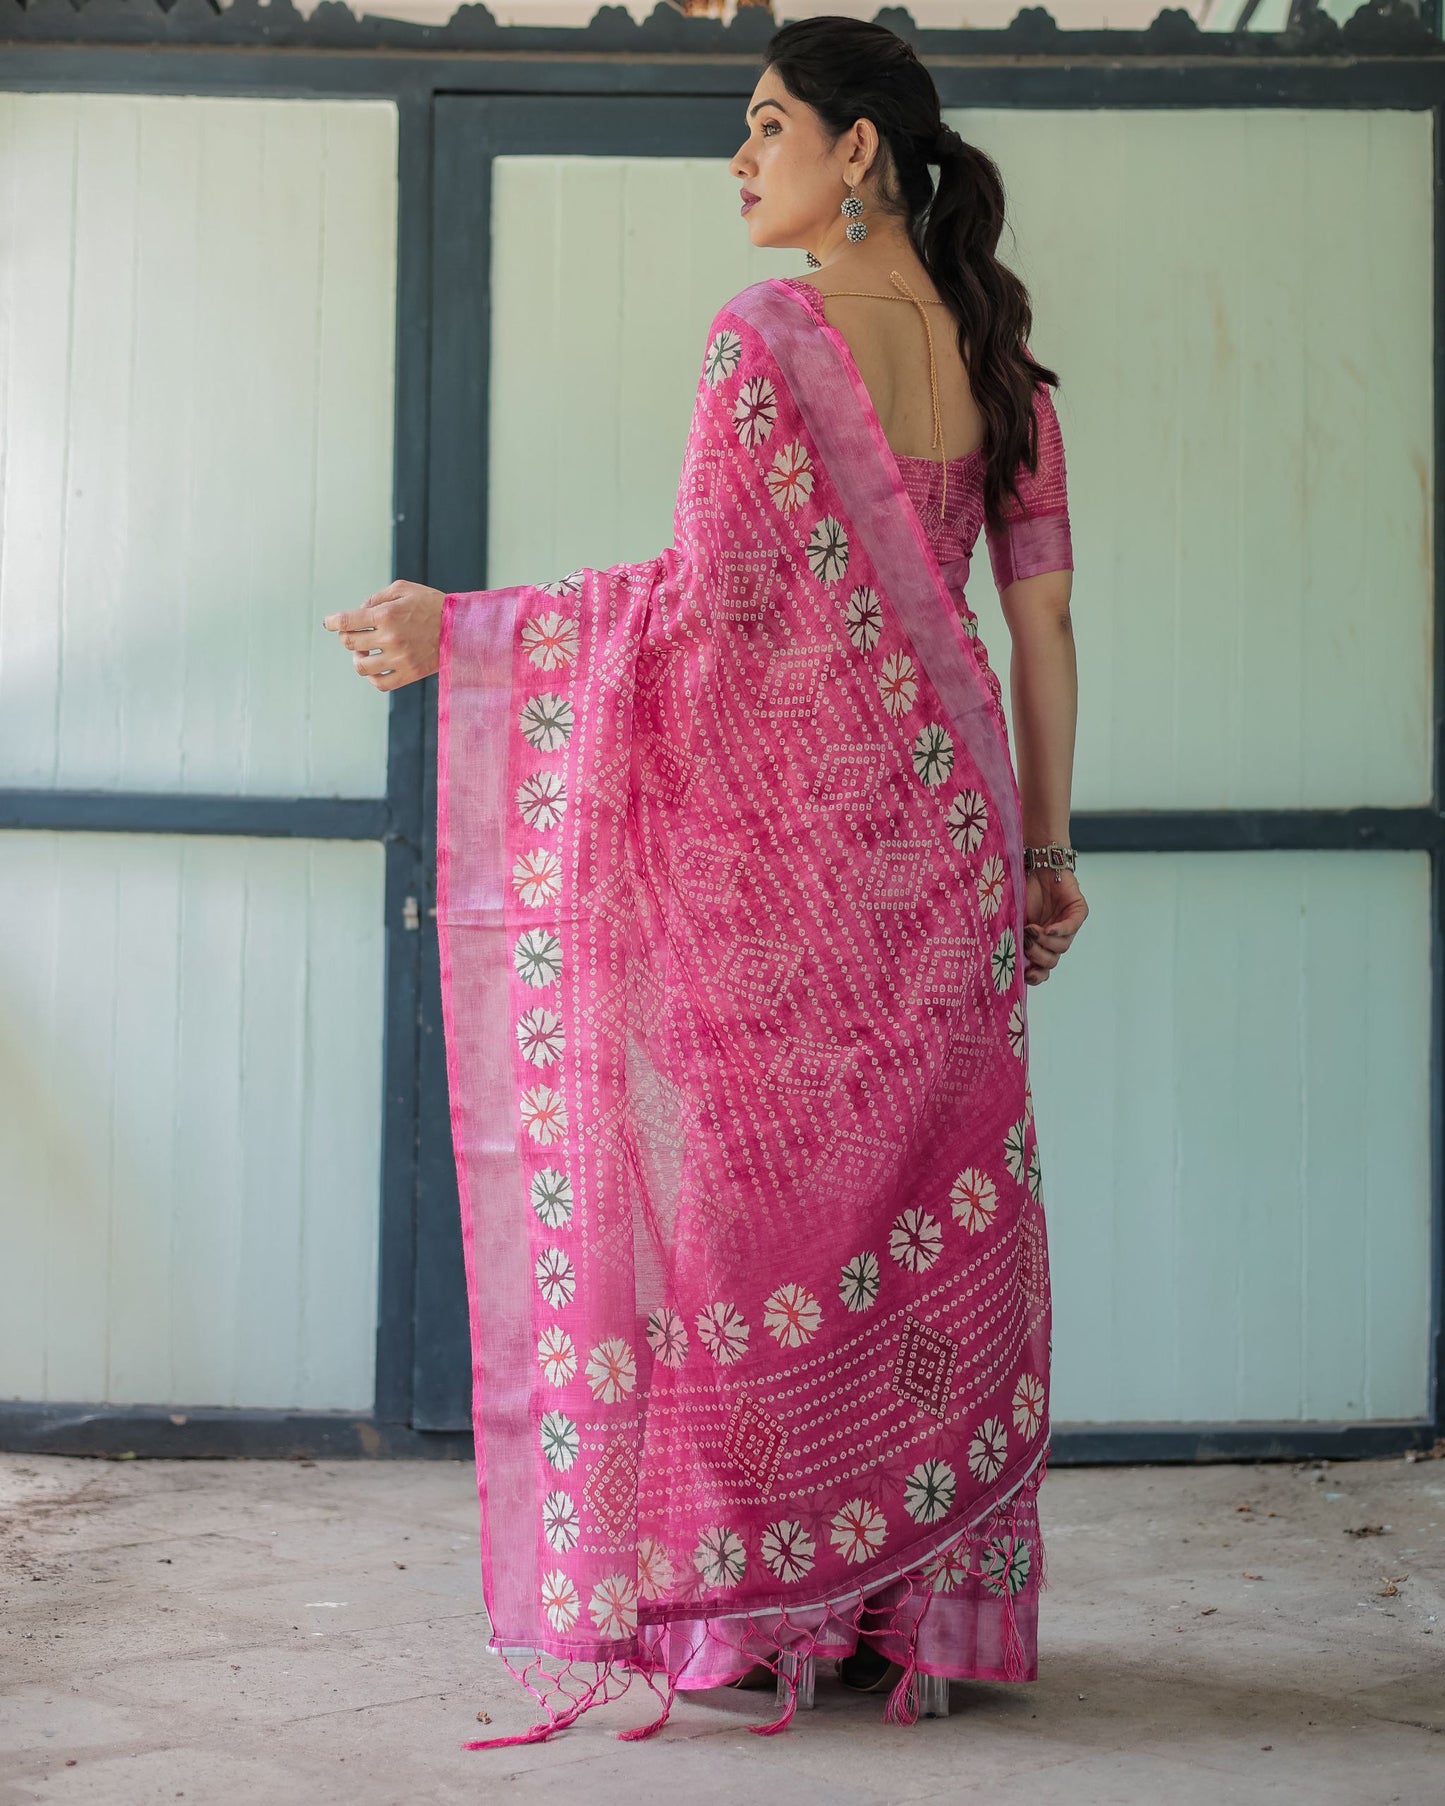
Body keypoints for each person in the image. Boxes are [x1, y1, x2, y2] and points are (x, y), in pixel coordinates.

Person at [325, 16, 1086, 1749]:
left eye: (763, 127)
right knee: (916, 1194)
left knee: (751, 1212)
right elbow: (1042, 628)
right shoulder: (1004, 364)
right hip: (946, 843)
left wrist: (471, 632)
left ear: (858, 149)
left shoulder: (768, 339)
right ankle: (910, 1616)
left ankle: (762, 1612)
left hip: (788, 864)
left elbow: (699, 612)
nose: (737, 164)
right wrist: (1043, 851)